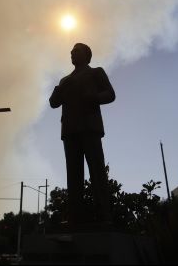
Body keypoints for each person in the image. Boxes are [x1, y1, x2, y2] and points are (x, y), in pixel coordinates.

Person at [50, 43, 115, 227]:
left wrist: (93, 97)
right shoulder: (65, 80)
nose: (71, 53)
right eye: (71, 51)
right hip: (69, 130)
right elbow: (54, 103)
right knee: (73, 175)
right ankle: (75, 217)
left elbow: (110, 94)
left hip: (89, 127)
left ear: (87, 55)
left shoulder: (96, 72)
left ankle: (104, 215)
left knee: (97, 172)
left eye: (76, 51)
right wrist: (60, 88)